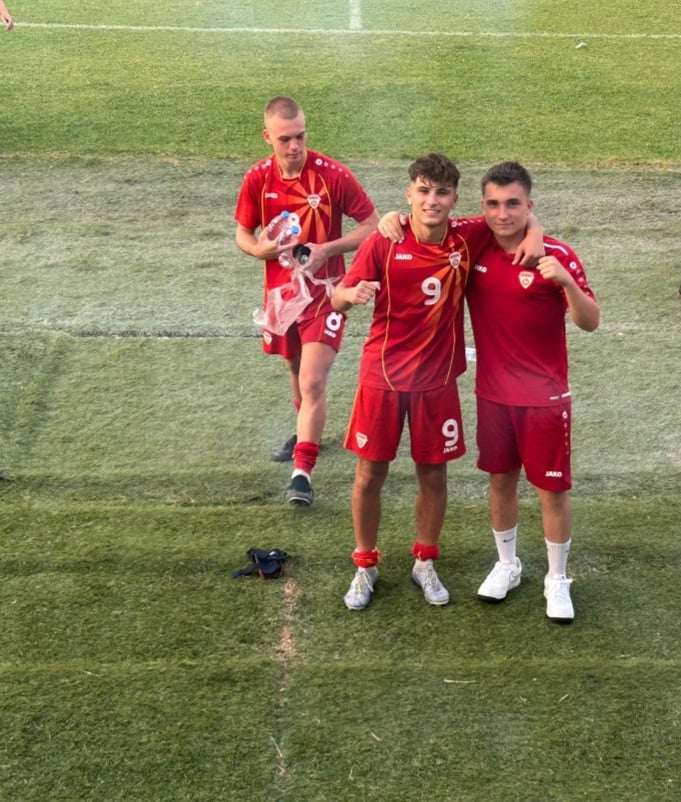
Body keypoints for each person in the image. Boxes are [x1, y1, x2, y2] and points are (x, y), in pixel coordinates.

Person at [333, 154, 544, 611]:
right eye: (424, 191)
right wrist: (352, 293)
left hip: (437, 381)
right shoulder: (385, 240)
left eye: (442, 193)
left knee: (433, 473)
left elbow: (515, 217)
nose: (432, 201)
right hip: (383, 377)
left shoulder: (467, 236)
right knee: (369, 474)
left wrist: (537, 231)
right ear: (409, 193)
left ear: (454, 199)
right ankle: (365, 565)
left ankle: (425, 561)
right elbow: (337, 297)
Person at [468, 162, 599, 623]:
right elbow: (430, 221)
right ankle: (508, 564)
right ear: (482, 206)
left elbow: (590, 321)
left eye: (513, 204)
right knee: (500, 480)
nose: (502, 214)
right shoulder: (474, 245)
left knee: (552, 490)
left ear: (529, 205)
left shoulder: (557, 255)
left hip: (545, 399)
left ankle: (557, 578)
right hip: (493, 395)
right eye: (493, 204)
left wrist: (564, 281)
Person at [234, 96, 378, 506]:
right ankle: (305, 430)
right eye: (285, 139)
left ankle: (302, 474)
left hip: (326, 294)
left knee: (313, 379)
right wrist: (258, 250)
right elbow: (243, 232)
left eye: (300, 136)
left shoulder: (332, 175)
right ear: (267, 137)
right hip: (282, 297)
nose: (295, 146)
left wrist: (327, 249)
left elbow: (371, 226)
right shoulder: (258, 178)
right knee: (295, 369)